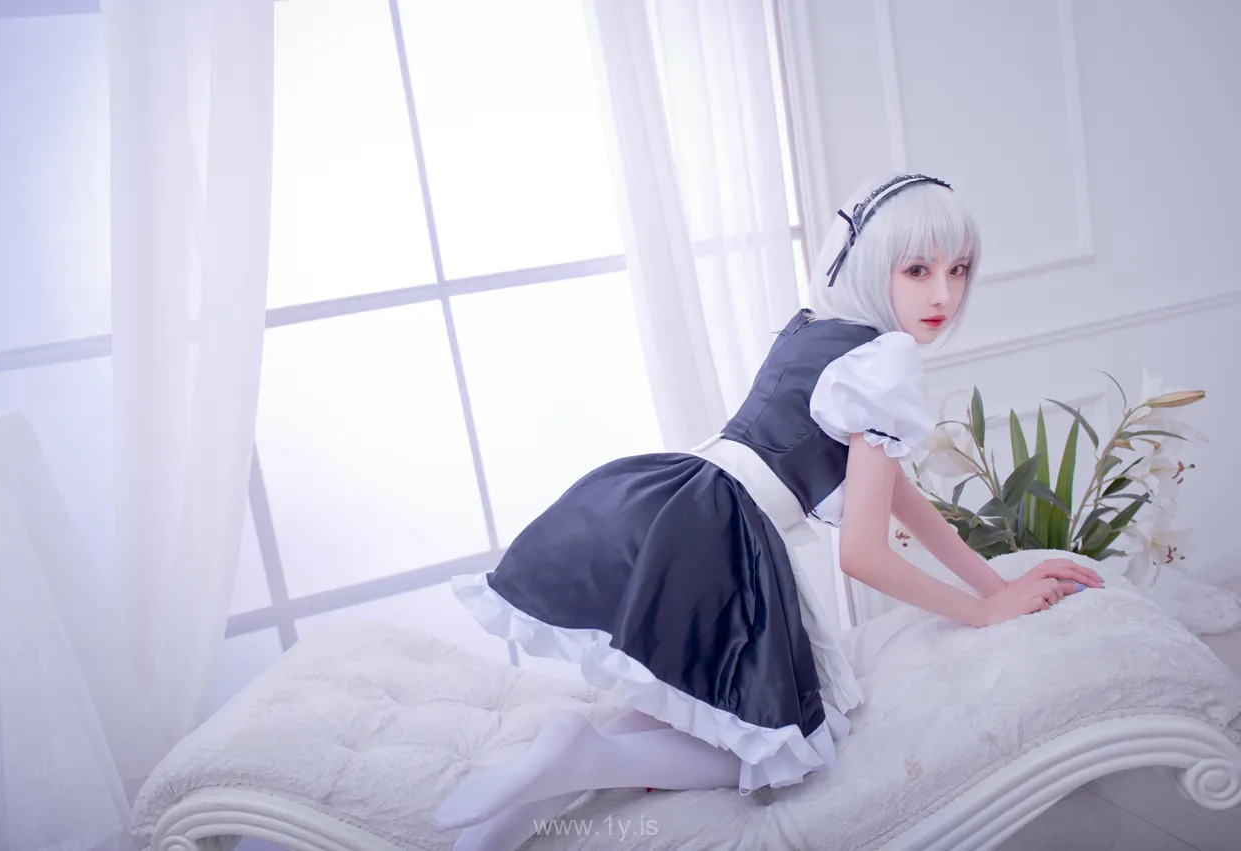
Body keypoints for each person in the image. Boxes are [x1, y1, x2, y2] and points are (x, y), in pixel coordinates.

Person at [432, 172, 1105, 850]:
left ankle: (510, 816)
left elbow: (902, 498)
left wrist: (997, 585)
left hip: (667, 496)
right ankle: (591, 756)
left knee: (698, 709)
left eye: (958, 270)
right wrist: (984, 611)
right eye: (917, 269)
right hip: (723, 534)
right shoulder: (883, 361)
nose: (943, 295)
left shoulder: (816, 330)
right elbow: (863, 555)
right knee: (783, 751)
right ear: (871, 265)